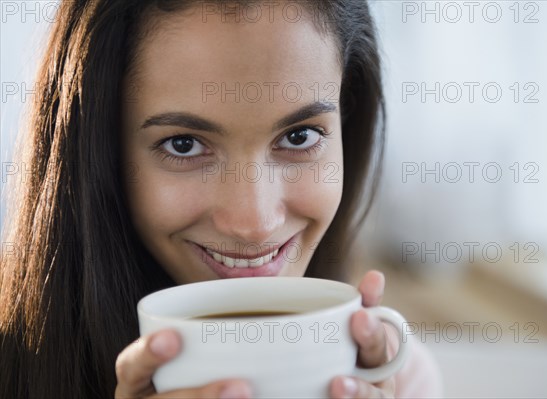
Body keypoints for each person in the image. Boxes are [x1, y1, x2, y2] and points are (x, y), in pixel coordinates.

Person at [0, 1, 442, 397]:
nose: (255, 222)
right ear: (99, 153)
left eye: (299, 136)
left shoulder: (399, 379)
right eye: (184, 145)